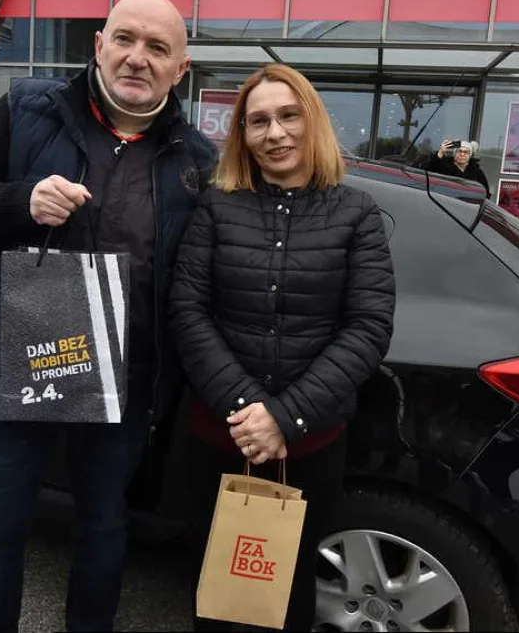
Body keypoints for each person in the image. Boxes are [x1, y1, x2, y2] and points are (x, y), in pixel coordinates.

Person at [0, 0, 217, 633]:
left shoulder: (198, 162)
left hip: (122, 379)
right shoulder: (29, 109)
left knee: (103, 528)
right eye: (125, 39)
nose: (137, 58)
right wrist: (20, 202)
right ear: (99, 45)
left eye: (158, 48)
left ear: (180, 69)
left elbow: (207, 277)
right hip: (17, 363)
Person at [169, 63, 396, 631]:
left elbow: (368, 326)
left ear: (312, 120)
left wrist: (284, 417)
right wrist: (248, 408)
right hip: (219, 439)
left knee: (288, 591)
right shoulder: (217, 207)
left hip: (309, 445)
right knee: (215, 588)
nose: (275, 133)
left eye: (289, 116)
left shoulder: (357, 213)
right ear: (243, 134)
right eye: (259, 121)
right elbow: (188, 312)